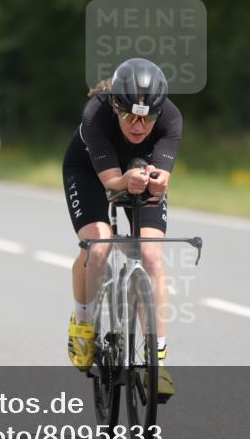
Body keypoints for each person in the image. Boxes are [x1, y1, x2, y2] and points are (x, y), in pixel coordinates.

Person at [62, 57, 182, 398]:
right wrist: (125, 181)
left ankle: (156, 358)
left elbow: (164, 173)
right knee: (98, 248)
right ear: (115, 105)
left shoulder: (171, 117)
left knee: (152, 256)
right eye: (129, 115)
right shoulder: (95, 115)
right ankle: (83, 325)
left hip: (138, 170)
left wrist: (158, 184)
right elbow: (112, 183)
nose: (139, 126)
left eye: (148, 118)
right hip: (89, 171)